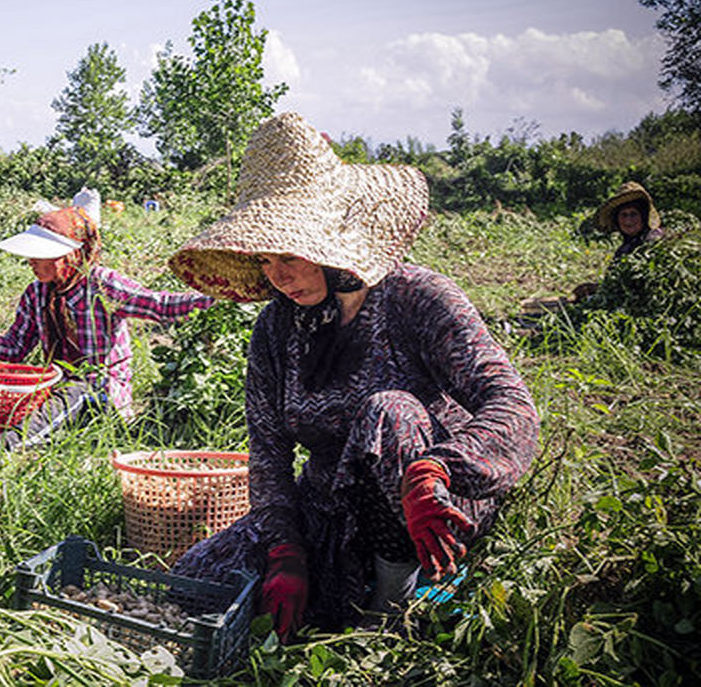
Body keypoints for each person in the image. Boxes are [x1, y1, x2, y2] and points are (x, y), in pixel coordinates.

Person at [166, 113, 539, 635]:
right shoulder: (277, 327)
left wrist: (441, 469)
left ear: (333, 241)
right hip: (334, 502)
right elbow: (269, 453)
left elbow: (512, 404)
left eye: (292, 254)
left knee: (389, 412)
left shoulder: (417, 298)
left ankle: (394, 604)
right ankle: (338, 585)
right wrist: (285, 551)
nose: (278, 275)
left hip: (428, 508)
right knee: (192, 580)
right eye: (265, 258)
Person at [0, 188, 214, 449]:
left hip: (101, 393)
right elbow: (17, 348)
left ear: (71, 256)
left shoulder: (102, 286)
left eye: (41, 256)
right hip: (56, 386)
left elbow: (158, 306)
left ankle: (9, 443)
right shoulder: (36, 294)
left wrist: (214, 300)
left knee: (78, 391)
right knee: (44, 397)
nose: (31, 262)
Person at [594, 181, 665, 260]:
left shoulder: (655, 240)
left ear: (643, 217)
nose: (628, 220)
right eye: (624, 215)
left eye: (633, 214)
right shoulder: (621, 252)